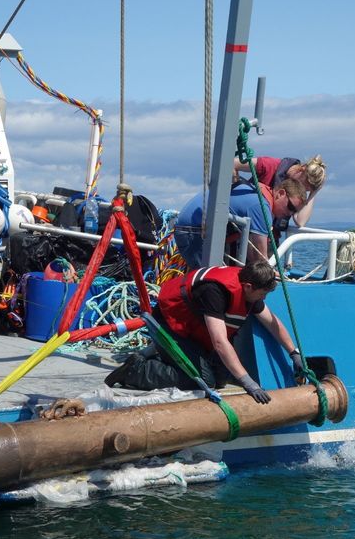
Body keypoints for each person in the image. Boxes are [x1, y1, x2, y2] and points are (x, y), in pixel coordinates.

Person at [105, 261, 304, 403]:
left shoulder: (249, 290)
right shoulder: (215, 292)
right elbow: (219, 341)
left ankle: (163, 357)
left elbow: (272, 322)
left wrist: (293, 353)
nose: (264, 299)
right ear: (249, 286)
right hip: (170, 327)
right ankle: (135, 371)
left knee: (220, 378)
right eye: (262, 294)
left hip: (194, 332)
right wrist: (249, 383)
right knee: (203, 381)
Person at [173, 177, 307, 269]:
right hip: (193, 232)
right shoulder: (261, 207)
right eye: (290, 207)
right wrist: (272, 273)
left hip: (190, 229)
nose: (290, 214)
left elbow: (252, 252)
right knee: (208, 281)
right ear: (281, 193)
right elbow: (260, 257)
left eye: (294, 212)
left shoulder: (259, 190)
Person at [234, 154, 326, 232]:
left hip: (269, 238)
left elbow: (300, 221)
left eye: (307, 190)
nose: (301, 190)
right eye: (304, 185)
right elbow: (234, 163)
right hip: (244, 230)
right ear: (302, 169)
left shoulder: (299, 191)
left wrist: (313, 193)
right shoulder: (270, 165)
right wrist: (235, 187)